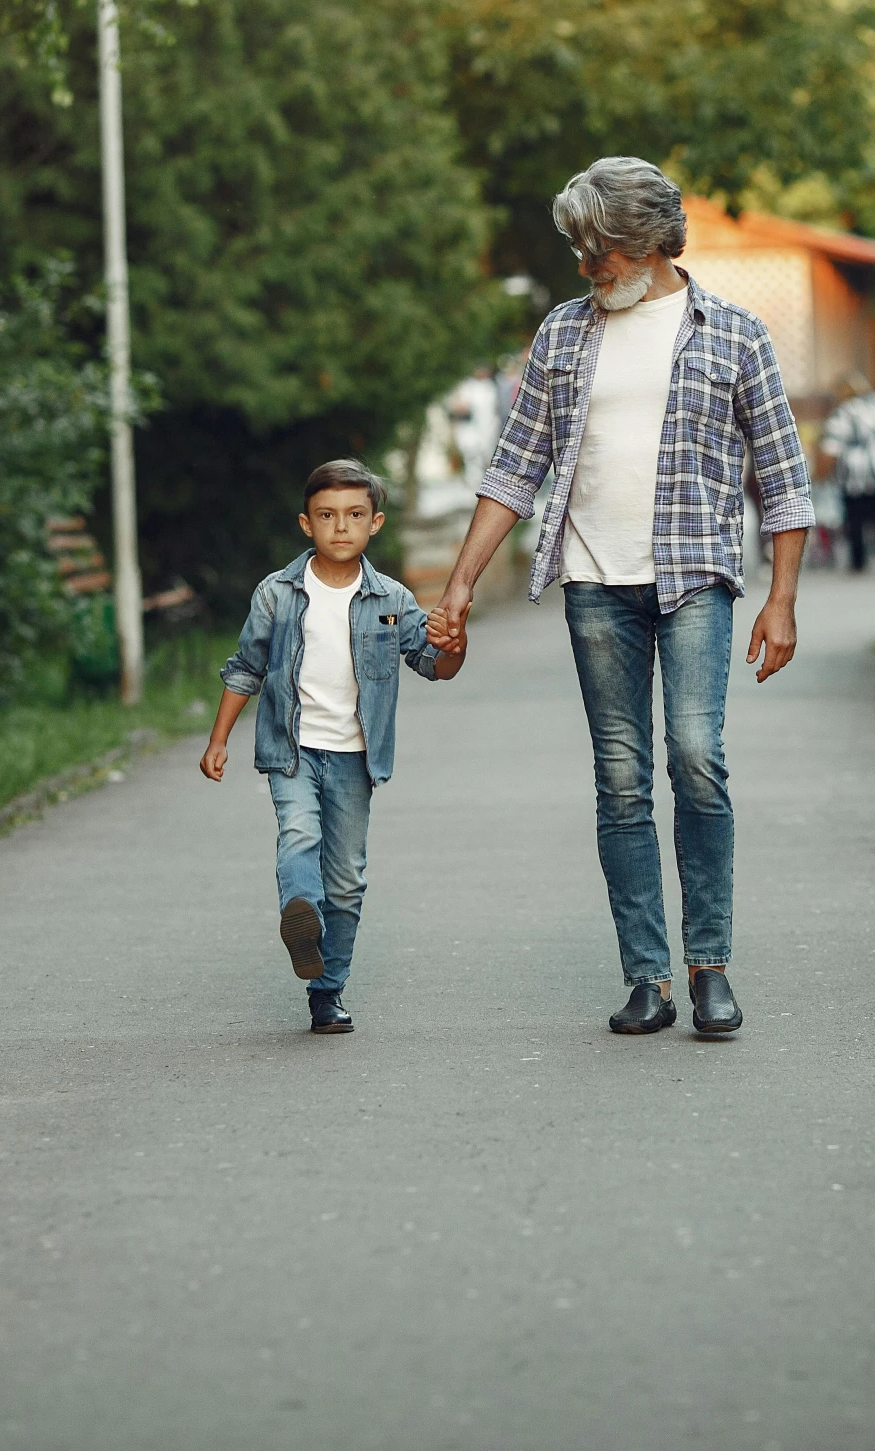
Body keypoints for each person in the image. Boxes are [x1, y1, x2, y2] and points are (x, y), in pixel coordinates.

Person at [424, 156, 812, 1038]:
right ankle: (649, 977)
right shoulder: (562, 335)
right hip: (597, 583)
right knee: (622, 777)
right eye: (579, 248)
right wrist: (459, 582)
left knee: (696, 756)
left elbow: (784, 480)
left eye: (600, 248)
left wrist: (782, 599)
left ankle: (708, 964)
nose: (586, 266)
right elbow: (515, 467)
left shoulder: (735, 333)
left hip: (694, 580)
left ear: (652, 241)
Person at [200, 459, 466, 1035]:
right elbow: (245, 667)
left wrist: (455, 644)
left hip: (355, 757)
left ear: (376, 523)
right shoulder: (278, 592)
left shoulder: (391, 597)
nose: (339, 527)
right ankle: (300, 912)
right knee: (298, 833)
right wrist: (218, 739)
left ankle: (327, 990)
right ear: (305, 524)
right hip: (291, 748)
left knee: (346, 877)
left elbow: (433, 664)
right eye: (326, 516)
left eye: (353, 515)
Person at [818, 371, 875, 571]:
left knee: (855, 519)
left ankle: (858, 560)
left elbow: (831, 447)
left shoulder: (845, 411)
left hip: (855, 475)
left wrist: (822, 473)